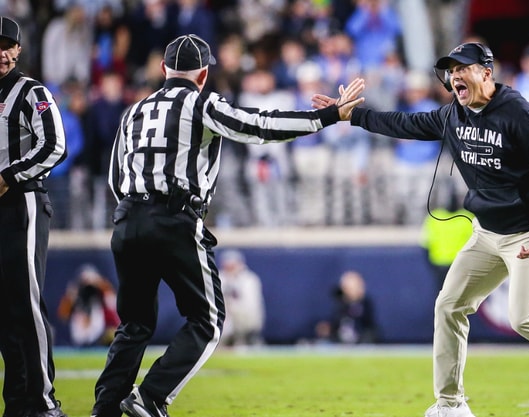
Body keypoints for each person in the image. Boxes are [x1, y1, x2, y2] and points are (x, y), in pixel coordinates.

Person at [315, 41, 529, 417]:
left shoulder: (521, 115)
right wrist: (353, 115)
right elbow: (404, 124)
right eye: (451, 71)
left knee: (525, 317)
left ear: (486, 72)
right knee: (449, 306)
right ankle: (451, 404)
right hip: (487, 233)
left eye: (463, 68)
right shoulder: (453, 115)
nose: (455, 76)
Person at [90, 33, 365, 417]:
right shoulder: (202, 103)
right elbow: (258, 125)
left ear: (163, 69)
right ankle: (150, 396)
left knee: (134, 324)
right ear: (203, 74)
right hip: (173, 218)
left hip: (127, 219)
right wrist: (328, 115)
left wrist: (135, 212)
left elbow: (116, 177)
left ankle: (104, 409)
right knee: (208, 320)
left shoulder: (135, 110)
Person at [0, 16, 69, 417]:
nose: (1, 53)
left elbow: (55, 146)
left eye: (7, 45)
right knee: (3, 311)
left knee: (25, 303)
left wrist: (8, 176)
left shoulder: (31, 92)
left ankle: (43, 401)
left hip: (22, 202)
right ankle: (17, 403)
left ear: (18, 49)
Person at [57, 264, 120, 347]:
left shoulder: (101, 296)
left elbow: (114, 305)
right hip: (78, 336)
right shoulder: (75, 297)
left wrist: (99, 283)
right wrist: (70, 296)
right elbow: (63, 316)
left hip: (98, 334)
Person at [315, 270, 379, 344]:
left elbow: (368, 326)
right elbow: (333, 324)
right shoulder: (338, 303)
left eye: (355, 286)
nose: (351, 290)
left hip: (360, 341)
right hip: (337, 342)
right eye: (348, 287)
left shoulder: (365, 304)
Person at [218, 249, 265, 347]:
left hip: (245, 323)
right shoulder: (219, 278)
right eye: (227, 267)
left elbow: (251, 307)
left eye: (232, 266)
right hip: (224, 323)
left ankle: (247, 340)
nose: (229, 270)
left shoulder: (249, 279)